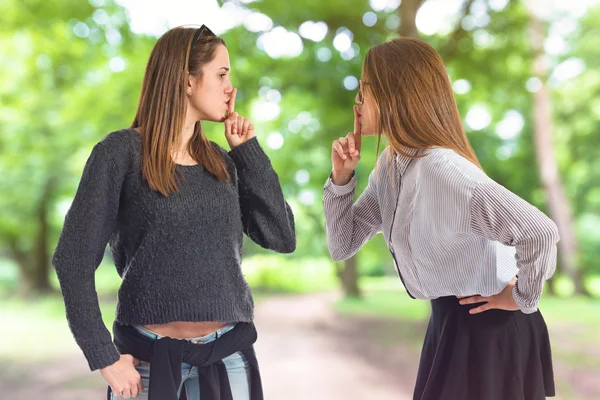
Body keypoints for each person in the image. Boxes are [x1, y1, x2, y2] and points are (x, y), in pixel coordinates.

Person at [52, 24, 296, 400]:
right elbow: (72, 259)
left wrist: (248, 152)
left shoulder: (223, 164)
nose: (231, 87)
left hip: (228, 356)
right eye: (221, 74)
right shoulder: (120, 154)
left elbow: (281, 235)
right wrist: (103, 356)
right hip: (146, 364)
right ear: (186, 81)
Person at [323, 37, 557, 400]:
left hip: (489, 328)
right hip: (449, 324)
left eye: (364, 90)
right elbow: (343, 244)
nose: (357, 102)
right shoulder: (390, 166)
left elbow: (539, 232)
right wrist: (341, 179)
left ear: (393, 95)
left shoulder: (443, 169)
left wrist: (522, 298)